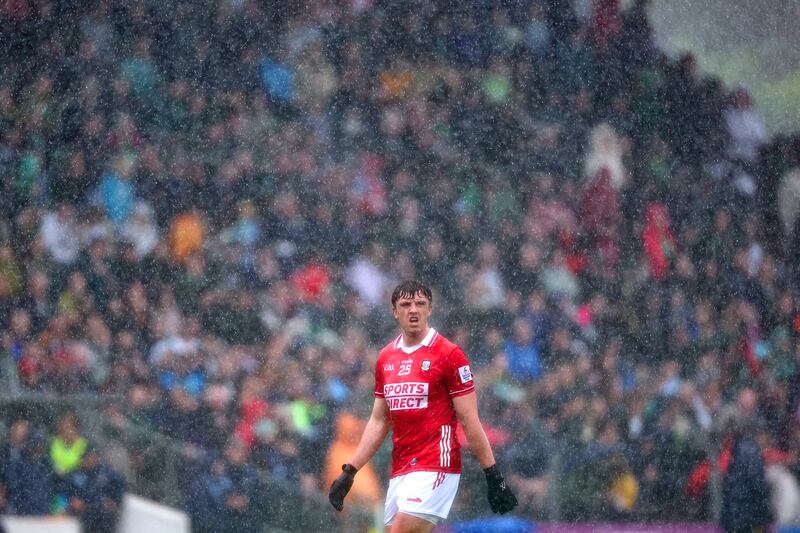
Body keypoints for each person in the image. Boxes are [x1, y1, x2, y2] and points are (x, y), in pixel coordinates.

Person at [328, 280, 517, 531]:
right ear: (395, 311)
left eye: (420, 304)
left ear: (430, 309)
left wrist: (494, 476)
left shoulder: (450, 355)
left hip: (437, 463)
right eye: (405, 304)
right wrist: (350, 470)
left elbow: (470, 421)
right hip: (402, 468)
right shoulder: (386, 358)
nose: (413, 310)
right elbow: (379, 420)